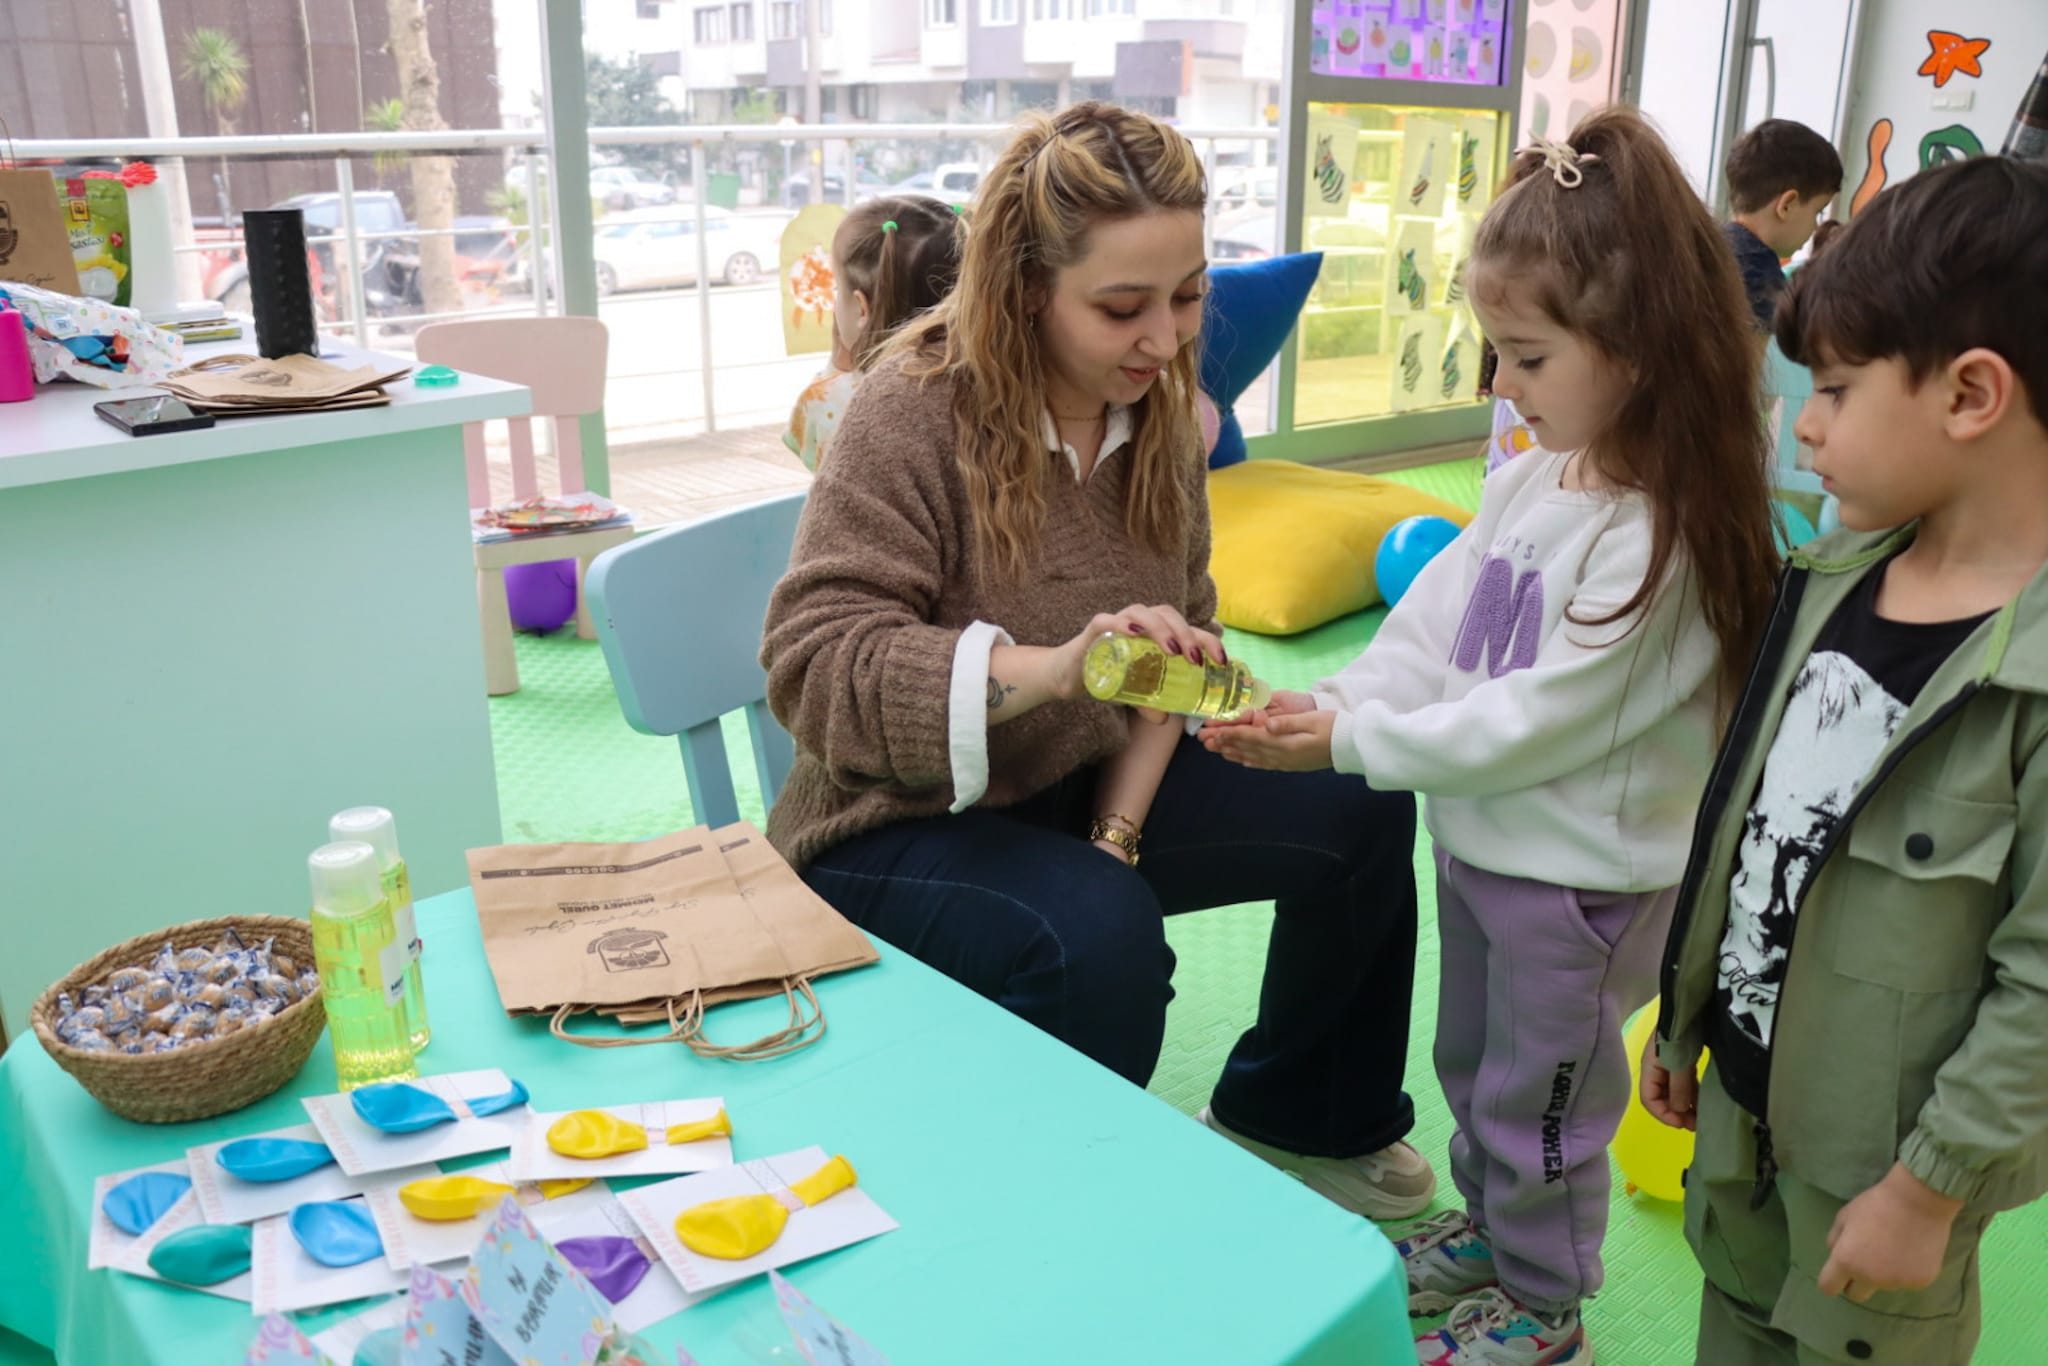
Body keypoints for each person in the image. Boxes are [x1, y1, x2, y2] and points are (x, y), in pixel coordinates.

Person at [758, 101, 1436, 1221]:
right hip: (888, 823)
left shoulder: (1163, 414)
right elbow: (816, 667)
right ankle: (1052, 1216)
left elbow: (1179, 644)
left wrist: (1118, 833)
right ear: (1027, 286)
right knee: (1095, 936)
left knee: (1355, 793)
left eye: (1187, 296)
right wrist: (1059, 668)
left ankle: (1299, 1115)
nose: (1163, 340)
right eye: (1122, 307)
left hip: (1075, 785)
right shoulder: (911, 408)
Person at [1201, 108, 1781, 1365]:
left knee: (1544, 1106)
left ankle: (1544, 1304)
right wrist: (1333, 701)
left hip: (1575, 883)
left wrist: (1349, 748)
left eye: (1524, 357)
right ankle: (1491, 1234)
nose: (1498, 386)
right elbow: (1430, 630)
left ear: (1637, 351)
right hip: (1483, 847)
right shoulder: (1530, 480)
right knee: (1472, 1066)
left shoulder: (1661, 537)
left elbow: (1538, 719)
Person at [1645, 155, 2048, 1365]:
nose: (1803, 423)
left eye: (1830, 388)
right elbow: (1745, 823)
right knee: (1732, 1320)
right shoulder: (1824, 582)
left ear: (1968, 393)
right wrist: (1684, 1024)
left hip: (1885, 1171)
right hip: (1741, 1113)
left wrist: (1928, 1188)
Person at [783, 194, 962, 470]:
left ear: (861, 308)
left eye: (838, 289)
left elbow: (825, 481)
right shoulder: (991, 386)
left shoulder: (827, 400)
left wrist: (835, 367)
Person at [1722, 118, 1844, 329]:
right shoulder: (1761, 274)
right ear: (1787, 205)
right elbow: (1749, 351)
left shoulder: (1713, 243)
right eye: (1817, 211)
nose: (1816, 226)